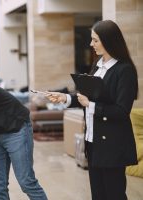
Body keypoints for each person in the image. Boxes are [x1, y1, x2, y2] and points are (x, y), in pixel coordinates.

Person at [44, 20, 138, 200]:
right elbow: (86, 97)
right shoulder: (97, 66)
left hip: (112, 144)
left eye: (95, 40)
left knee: (114, 195)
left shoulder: (124, 71)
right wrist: (66, 98)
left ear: (108, 41)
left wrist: (91, 105)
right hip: (93, 142)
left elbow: (121, 111)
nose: (91, 44)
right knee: (98, 195)